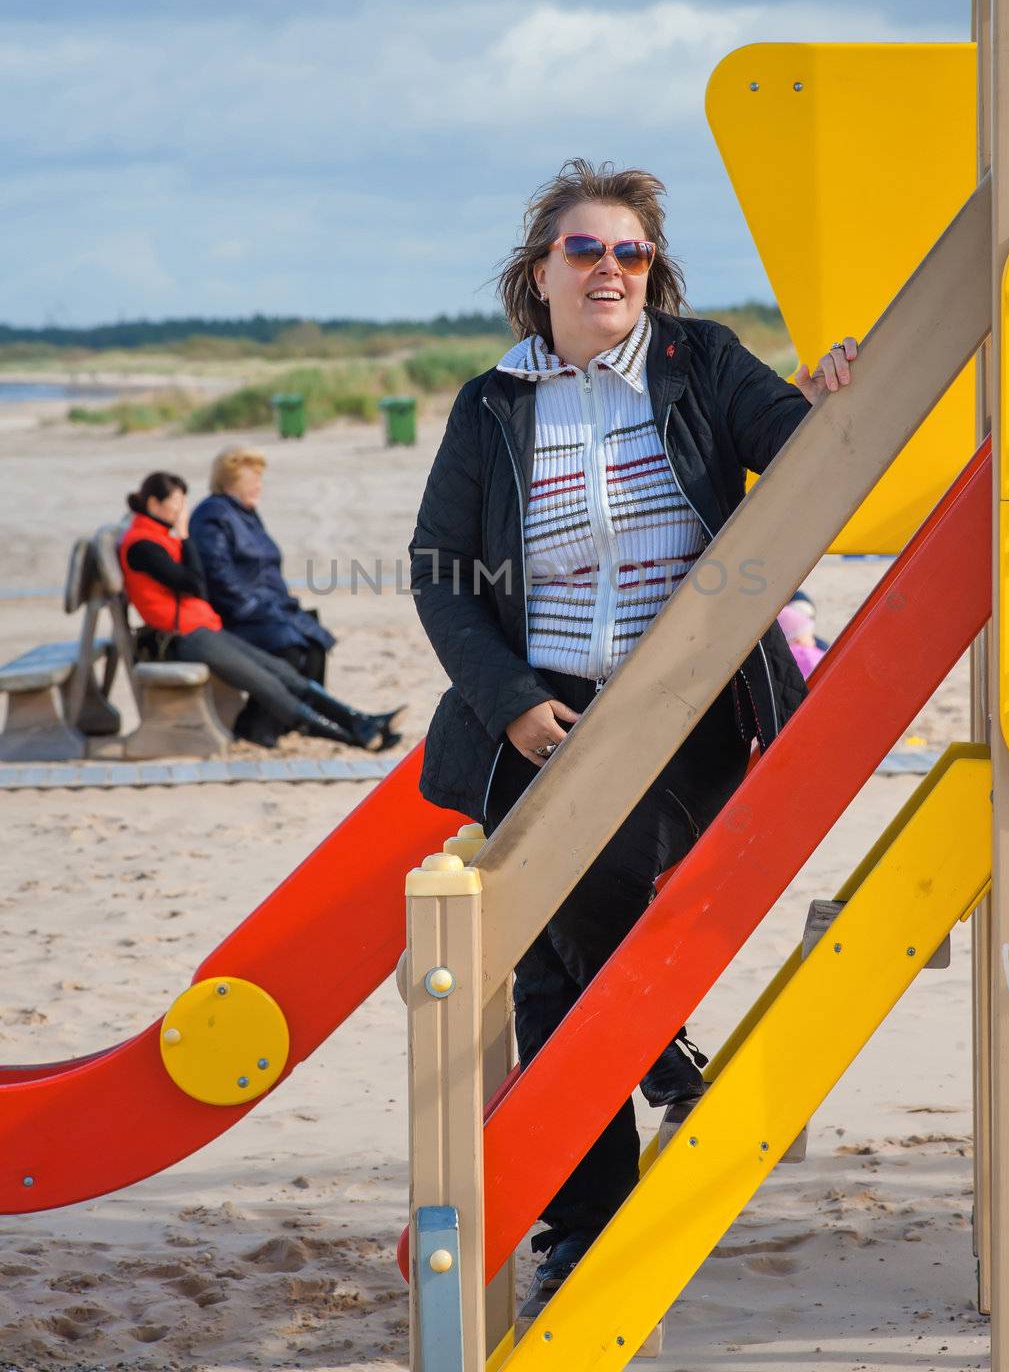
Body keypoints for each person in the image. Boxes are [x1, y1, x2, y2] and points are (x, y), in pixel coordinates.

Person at [409, 159, 858, 1324]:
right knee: (555, 966)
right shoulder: (493, 403)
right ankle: (627, 1125)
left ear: (652, 273)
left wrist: (838, 395)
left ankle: (592, 1207)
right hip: (540, 713)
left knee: (574, 945)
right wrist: (507, 695)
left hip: (686, 698)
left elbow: (801, 450)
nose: (611, 269)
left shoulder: (697, 359)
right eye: (586, 250)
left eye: (632, 253)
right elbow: (440, 571)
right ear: (540, 270)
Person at [120, 472, 403, 751]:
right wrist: (184, 535)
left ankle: (361, 721)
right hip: (182, 638)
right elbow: (194, 582)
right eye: (176, 502)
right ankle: (354, 738)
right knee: (268, 685)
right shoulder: (143, 546)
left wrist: (181, 538)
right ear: (154, 505)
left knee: (284, 673)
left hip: (203, 629)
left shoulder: (155, 538)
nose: (182, 509)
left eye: (183, 501)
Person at [188, 446, 336, 745]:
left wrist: (277, 606)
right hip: (236, 614)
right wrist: (256, 607)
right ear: (229, 482)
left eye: (259, 480)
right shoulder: (212, 514)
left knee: (314, 640)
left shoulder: (246, 513)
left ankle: (297, 721)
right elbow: (217, 574)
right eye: (252, 481)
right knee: (289, 645)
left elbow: (265, 569)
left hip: (264, 608)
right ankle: (256, 727)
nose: (259, 487)